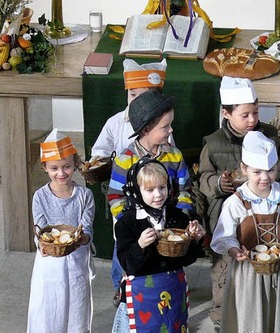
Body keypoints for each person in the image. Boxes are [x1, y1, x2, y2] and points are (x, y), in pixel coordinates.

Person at [197, 76, 280, 329]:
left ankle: (259, 315)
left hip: (262, 216)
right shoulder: (214, 143)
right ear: (226, 113)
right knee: (224, 271)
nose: (252, 120)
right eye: (245, 115)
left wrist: (270, 176)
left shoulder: (269, 134)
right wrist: (218, 183)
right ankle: (221, 316)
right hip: (226, 216)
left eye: (256, 113)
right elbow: (203, 176)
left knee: (260, 266)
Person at [210, 131, 280, 333]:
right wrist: (234, 250)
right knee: (250, 311)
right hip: (248, 272)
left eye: (270, 171)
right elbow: (224, 236)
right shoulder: (236, 201)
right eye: (257, 172)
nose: (265, 177)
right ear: (244, 169)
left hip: (277, 268)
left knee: (276, 310)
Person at [90, 58, 168, 307]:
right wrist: (100, 159)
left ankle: (155, 278)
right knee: (123, 240)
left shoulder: (163, 128)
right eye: (132, 94)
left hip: (154, 195)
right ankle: (120, 285)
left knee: (154, 237)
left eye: (142, 96)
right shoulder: (116, 123)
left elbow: (170, 159)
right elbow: (100, 149)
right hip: (124, 197)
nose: (135, 101)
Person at [112, 157, 205, 333]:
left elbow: (186, 259)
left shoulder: (178, 217)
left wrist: (195, 240)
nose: (158, 194)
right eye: (150, 189)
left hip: (172, 288)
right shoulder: (127, 224)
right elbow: (127, 264)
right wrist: (139, 245)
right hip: (141, 295)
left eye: (162, 187)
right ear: (136, 191)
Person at [27, 129, 95, 333]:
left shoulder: (85, 195)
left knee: (77, 306)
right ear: (45, 167)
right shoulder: (39, 197)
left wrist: (82, 238)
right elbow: (40, 232)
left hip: (77, 261)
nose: (61, 173)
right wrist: (42, 244)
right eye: (54, 168)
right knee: (49, 307)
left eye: (66, 166)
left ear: (75, 164)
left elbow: (88, 228)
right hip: (50, 266)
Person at [107, 90, 193, 222]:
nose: (171, 130)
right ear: (146, 130)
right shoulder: (124, 161)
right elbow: (115, 196)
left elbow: (184, 190)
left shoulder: (174, 156)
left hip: (170, 224)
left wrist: (182, 216)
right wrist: (129, 223)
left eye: (171, 125)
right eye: (165, 127)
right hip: (135, 230)